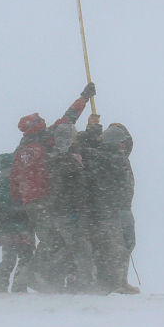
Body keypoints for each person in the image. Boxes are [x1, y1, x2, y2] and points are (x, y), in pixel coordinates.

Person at [10, 82, 96, 291]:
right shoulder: (46, 139)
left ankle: (43, 278)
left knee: (52, 241)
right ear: (37, 125)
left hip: (30, 203)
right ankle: (32, 277)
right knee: (54, 241)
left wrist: (18, 202)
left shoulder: (20, 151)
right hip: (47, 200)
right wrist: (84, 98)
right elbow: (69, 118)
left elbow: (14, 179)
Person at [80, 117, 137, 294]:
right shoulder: (112, 158)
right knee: (120, 245)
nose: (124, 146)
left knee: (116, 246)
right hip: (115, 209)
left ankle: (116, 281)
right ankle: (116, 281)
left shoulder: (97, 155)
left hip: (114, 208)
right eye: (121, 142)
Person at [46, 124, 96, 293]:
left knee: (62, 247)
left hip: (56, 211)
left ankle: (57, 281)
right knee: (79, 248)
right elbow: (78, 189)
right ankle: (83, 283)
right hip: (70, 211)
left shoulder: (52, 160)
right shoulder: (69, 162)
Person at [0, 153, 34, 293]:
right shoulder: (19, 184)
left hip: (4, 230)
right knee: (26, 256)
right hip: (22, 227)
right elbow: (26, 204)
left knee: (8, 259)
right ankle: (19, 286)